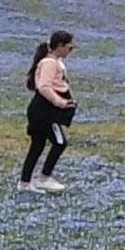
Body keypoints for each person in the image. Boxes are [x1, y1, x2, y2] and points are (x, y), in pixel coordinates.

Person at [19, 29, 76, 193]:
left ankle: (25, 182)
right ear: (60, 46)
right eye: (69, 48)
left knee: (37, 145)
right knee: (59, 142)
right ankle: (44, 178)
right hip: (45, 111)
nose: (70, 51)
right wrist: (60, 102)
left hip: (40, 110)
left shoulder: (52, 61)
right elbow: (44, 86)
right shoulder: (50, 63)